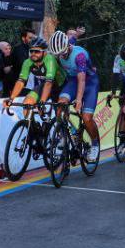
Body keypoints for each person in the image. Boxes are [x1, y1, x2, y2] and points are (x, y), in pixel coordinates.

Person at [49, 30, 101, 161]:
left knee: (86, 117)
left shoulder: (79, 55)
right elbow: (73, 37)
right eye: (58, 54)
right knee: (60, 104)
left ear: (67, 46)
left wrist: (78, 100)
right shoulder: (63, 44)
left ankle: (95, 144)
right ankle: (67, 133)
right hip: (72, 81)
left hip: (89, 82)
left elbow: (82, 80)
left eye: (63, 53)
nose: (61, 56)